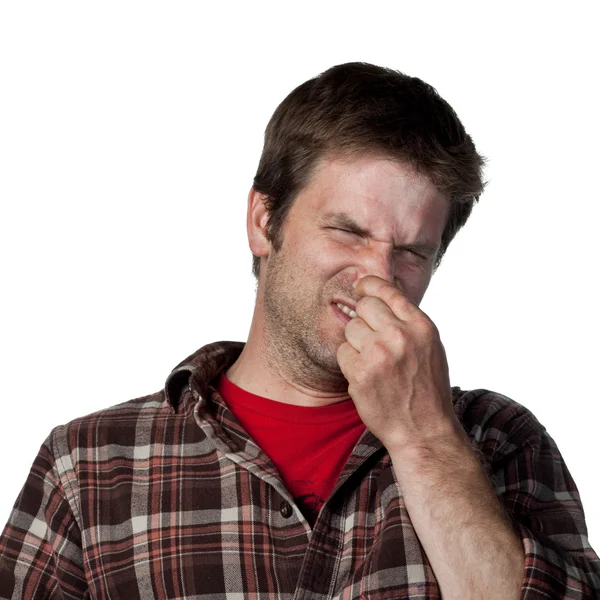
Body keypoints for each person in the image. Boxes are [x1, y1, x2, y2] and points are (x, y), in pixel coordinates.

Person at [1, 62, 598, 600]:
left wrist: (424, 438)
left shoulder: (502, 442)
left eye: (412, 251)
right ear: (264, 223)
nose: (377, 275)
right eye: (348, 231)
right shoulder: (89, 466)